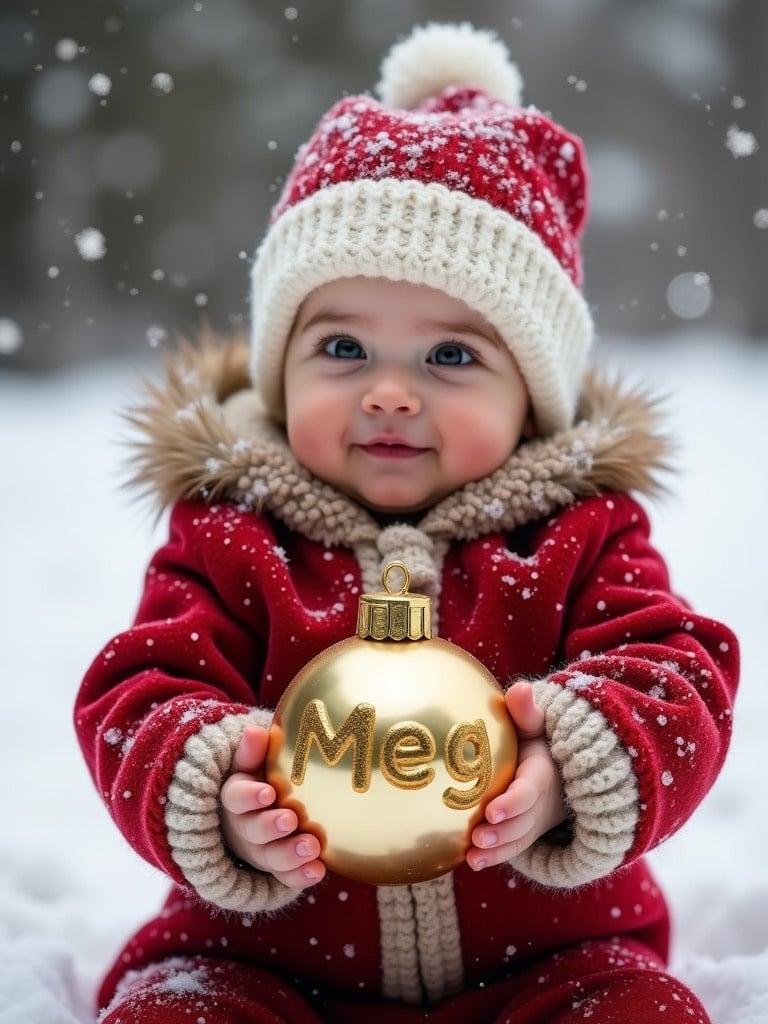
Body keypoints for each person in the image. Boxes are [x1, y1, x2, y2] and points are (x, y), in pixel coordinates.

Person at [74, 21, 738, 1024]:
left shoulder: (579, 535)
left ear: (534, 396)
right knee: (178, 1012)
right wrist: (212, 783)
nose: (389, 393)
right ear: (278, 366)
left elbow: (678, 671)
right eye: (343, 346)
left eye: (451, 357)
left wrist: (580, 764)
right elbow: (138, 689)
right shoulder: (234, 537)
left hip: (547, 960)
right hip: (263, 959)